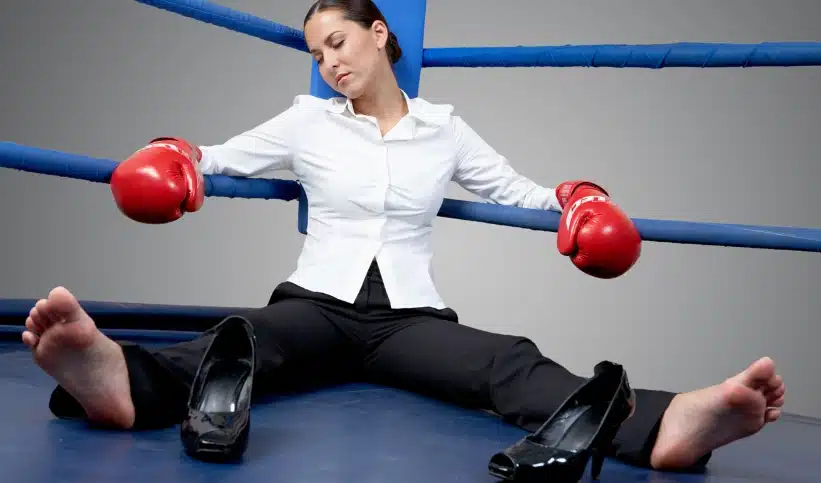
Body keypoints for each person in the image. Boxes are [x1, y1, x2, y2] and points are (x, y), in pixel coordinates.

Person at [22, 0, 784, 473]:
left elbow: (514, 188)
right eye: (317, 51)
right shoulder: (306, 118)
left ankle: (667, 424)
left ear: (379, 33)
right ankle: (116, 380)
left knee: (505, 360)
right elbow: (213, 157)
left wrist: (578, 201)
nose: (328, 62)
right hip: (315, 306)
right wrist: (175, 157)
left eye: (339, 42)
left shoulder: (443, 130)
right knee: (242, 338)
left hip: (409, 320)